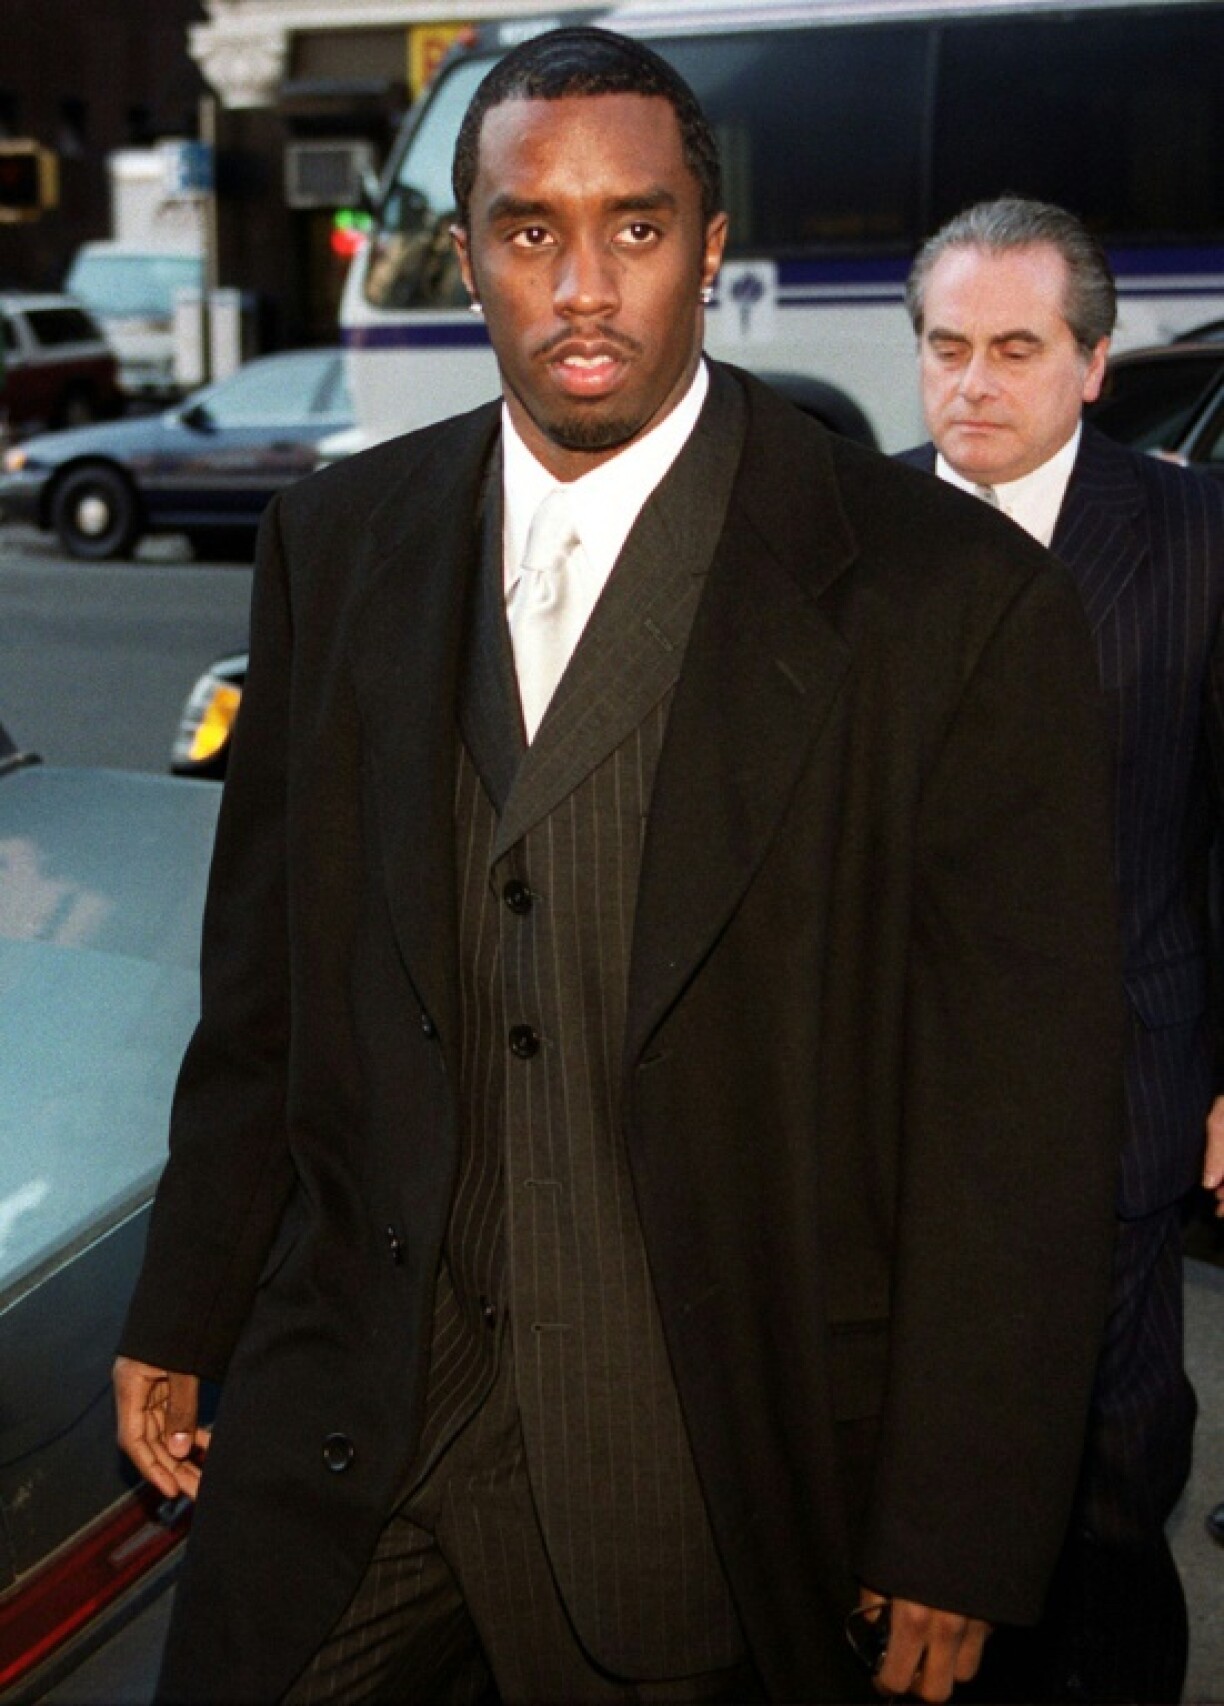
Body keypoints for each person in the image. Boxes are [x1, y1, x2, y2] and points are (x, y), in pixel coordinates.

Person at [114, 35, 1124, 1706]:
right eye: (530, 232)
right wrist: (191, 1285)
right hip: (369, 1413)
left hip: (699, 1461)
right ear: (468, 254)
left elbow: (1018, 1121)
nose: (582, 288)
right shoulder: (340, 541)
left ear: (711, 250)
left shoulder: (948, 604)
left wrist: (961, 1512)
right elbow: (266, 983)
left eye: (636, 231)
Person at [902, 194, 1224, 1704]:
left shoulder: (1197, 536)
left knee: (1103, 1483)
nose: (972, 381)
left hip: (1119, 1100)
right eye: (945, 347)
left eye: (1015, 349)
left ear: (1093, 364)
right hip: (890, 1117)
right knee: (914, 1485)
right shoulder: (849, 536)